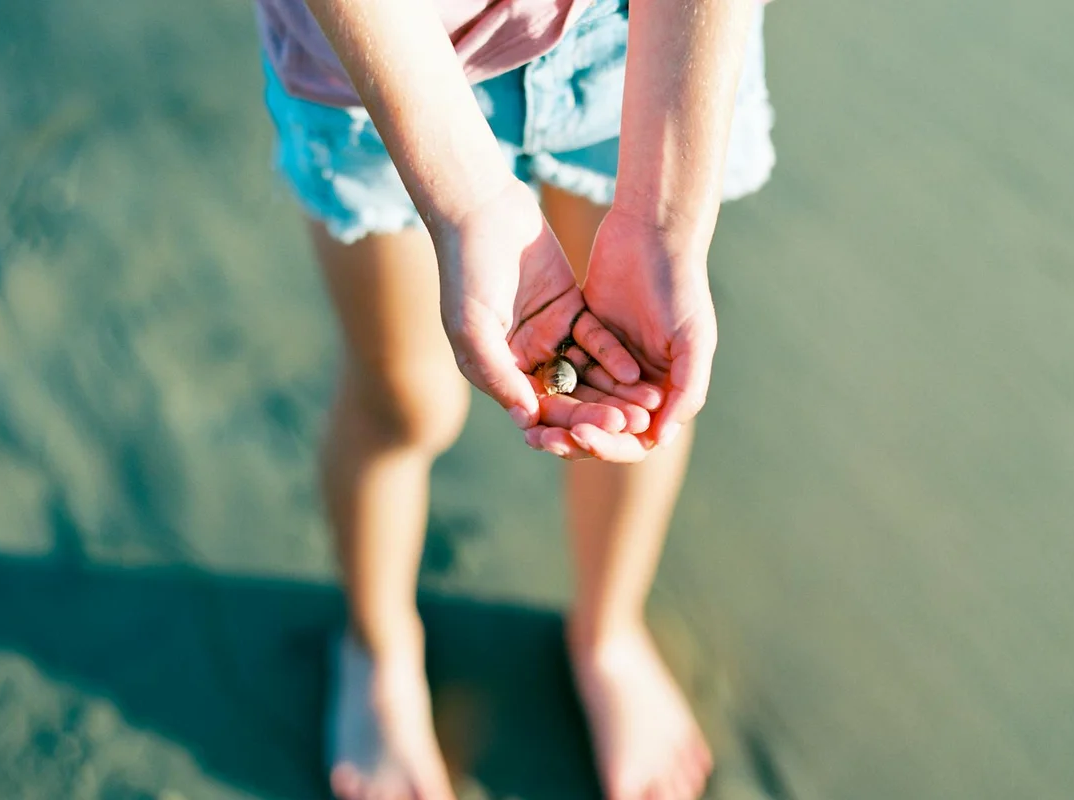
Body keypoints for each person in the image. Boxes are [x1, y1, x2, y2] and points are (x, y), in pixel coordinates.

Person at [255, 0, 775, 796]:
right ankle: (378, 646)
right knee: (404, 399)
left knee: (639, 373)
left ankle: (609, 632)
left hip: (648, 38)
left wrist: (665, 217)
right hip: (377, 57)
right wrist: (463, 200)